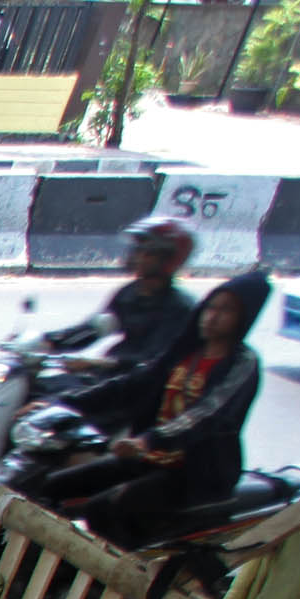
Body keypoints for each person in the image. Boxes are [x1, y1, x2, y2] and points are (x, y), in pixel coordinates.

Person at [44, 273, 270, 548]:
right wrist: (62, 403)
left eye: (226, 310)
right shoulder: (185, 352)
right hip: (149, 460)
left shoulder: (243, 363)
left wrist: (148, 440)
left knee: (104, 508)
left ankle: (121, 582)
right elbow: (133, 384)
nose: (213, 316)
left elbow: (208, 414)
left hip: (195, 474)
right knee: (50, 487)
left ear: (244, 318)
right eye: (211, 306)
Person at [45, 218, 196, 376]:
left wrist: (96, 363)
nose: (137, 257)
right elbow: (93, 329)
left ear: (168, 259)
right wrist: (47, 341)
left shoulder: (179, 308)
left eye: (147, 252)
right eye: (137, 250)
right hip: (112, 376)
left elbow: (153, 361)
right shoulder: (129, 293)